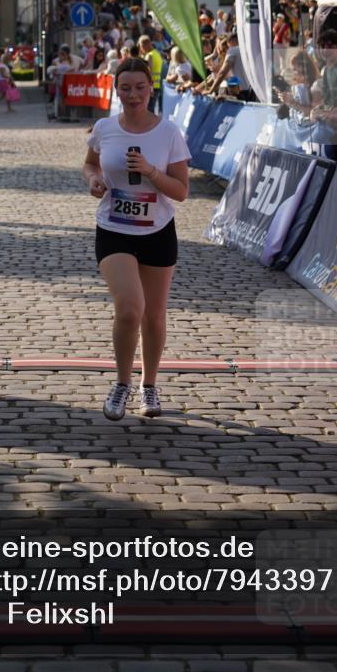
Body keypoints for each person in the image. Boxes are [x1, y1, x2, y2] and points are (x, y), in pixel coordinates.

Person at [82, 57, 191, 421]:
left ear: (151, 88)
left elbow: (181, 191)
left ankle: (149, 386)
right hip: (113, 230)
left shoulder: (169, 133)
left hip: (158, 231)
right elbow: (90, 163)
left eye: (140, 88)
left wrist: (150, 172)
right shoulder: (105, 127)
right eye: (125, 88)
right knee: (130, 308)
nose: (133, 95)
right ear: (116, 90)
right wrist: (93, 180)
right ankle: (122, 384)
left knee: (155, 316)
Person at [138, 35, 163, 113]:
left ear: (146, 45)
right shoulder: (157, 53)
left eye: (141, 46)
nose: (141, 49)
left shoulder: (149, 56)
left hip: (151, 87)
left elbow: (149, 72)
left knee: (148, 110)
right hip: (157, 85)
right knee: (150, 109)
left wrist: (150, 88)